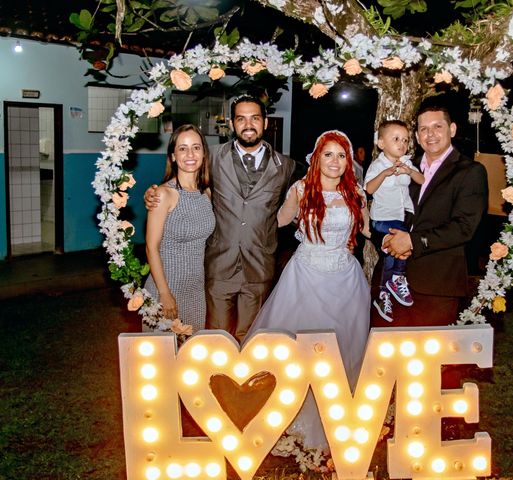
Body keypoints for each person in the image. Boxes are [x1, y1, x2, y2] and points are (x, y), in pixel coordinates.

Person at [246, 130, 371, 451]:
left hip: (345, 281)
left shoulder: (356, 192)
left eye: (341, 155)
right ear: (316, 158)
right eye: (327, 154)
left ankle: (340, 417)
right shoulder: (301, 189)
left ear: (349, 161)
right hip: (306, 278)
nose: (335, 161)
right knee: (301, 348)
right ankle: (288, 415)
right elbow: (277, 221)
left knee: (345, 348)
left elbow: (369, 230)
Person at [146, 95, 294, 341]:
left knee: (251, 339)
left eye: (255, 118)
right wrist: (151, 194)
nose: (248, 125)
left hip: (259, 267)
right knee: (215, 338)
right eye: (241, 119)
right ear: (232, 124)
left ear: (265, 123)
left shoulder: (287, 166)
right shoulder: (210, 156)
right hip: (217, 266)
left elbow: (292, 207)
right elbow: (180, 183)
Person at [382, 105, 488, 327]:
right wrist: (385, 239)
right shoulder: (402, 167)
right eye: (423, 129)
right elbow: (382, 208)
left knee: (428, 357)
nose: (430, 134)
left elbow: (464, 227)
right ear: (417, 137)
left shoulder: (470, 172)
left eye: (437, 127)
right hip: (392, 279)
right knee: (388, 355)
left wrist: (412, 241)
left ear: (452, 129)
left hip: (438, 283)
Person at [144, 124, 215, 333]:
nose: (190, 154)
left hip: (195, 289)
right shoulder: (164, 194)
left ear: (203, 153)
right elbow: (151, 248)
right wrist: (164, 293)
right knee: (160, 358)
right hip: (166, 285)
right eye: (182, 148)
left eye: (196, 147)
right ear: (173, 156)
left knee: (192, 356)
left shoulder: (208, 193)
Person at [365, 120, 424, 322]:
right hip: (382, 218)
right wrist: (385, 173)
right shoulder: (377, 165)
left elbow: (422, 181)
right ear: (381, 143)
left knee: (392, 251)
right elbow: (369, 189)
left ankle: (383, 294)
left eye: (405, 140)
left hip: (403, 216)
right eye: (396, 139)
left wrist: (409, 171)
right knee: (398, 241)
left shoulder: (407, 162)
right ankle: (398, 276)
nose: (402, 144)